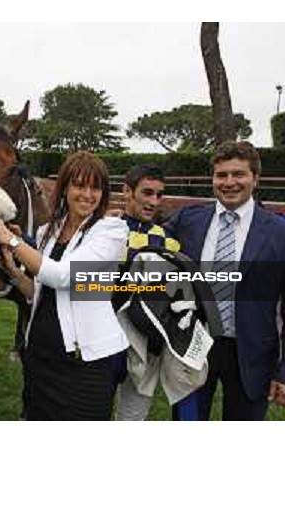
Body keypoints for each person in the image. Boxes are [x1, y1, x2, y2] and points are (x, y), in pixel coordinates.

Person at [0, 151, 129, 421]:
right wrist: (14, 272)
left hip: (85, 361)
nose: (88, 194)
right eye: (79, 185)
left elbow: (63, 276)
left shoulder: (110, 230)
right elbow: (41, 293)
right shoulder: (47, 231)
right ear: (64, 187)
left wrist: (9, 239)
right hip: (40, 355)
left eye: (95, 187)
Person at [165, 141, 285, 420]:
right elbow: (150, 239)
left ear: (255, 178)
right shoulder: (188, 220)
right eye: (221, 175)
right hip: (194, 347)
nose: (229, 182)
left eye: (238, 174)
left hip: (252, 353)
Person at [114, 164, 207, 421]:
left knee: (131, 420)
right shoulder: (105, 229)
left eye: (159, 194)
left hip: (144, 347)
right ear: (127, 192)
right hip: (104, 343)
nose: (153, 201)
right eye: (147, 193)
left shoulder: (168, 240)